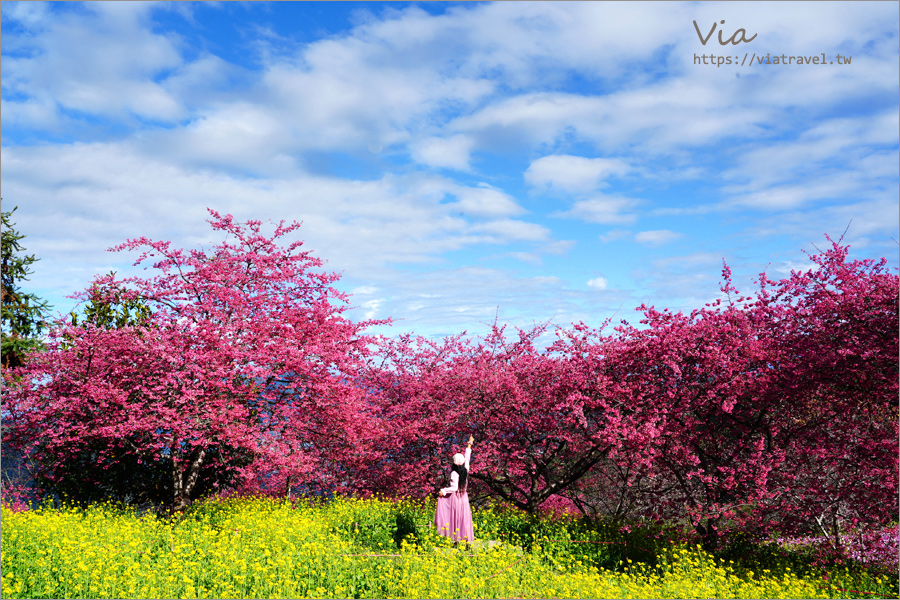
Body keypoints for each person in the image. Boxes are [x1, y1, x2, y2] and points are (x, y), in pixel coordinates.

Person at [435, 435, 474, 544]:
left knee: (456, 518)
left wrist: (443, 491)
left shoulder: (454, 473)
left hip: (456, 498)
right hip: (464, 497)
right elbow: (467, 457)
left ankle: (456, 541)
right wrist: (469, 444)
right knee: (464, 519)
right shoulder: (465, 469)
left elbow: (454, 488)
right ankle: (467, 542)